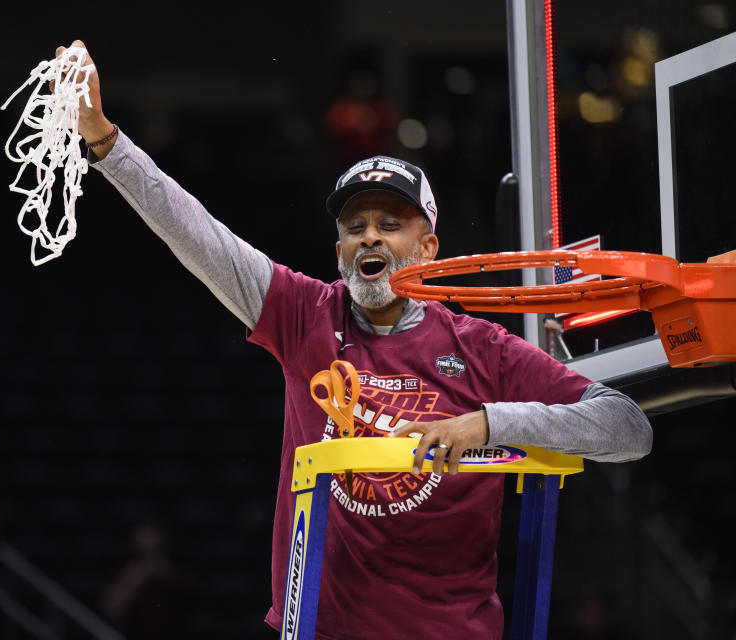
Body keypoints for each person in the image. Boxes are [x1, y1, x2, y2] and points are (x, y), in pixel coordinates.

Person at [55, 40, 653, 639]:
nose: (370, 238)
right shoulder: (303, 313)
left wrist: (487, 424)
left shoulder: (482, 347)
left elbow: (628, 427)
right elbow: (201, 236)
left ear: (427, 249)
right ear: (338, 250)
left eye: (390, 225)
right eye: (355, 228)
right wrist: (106, 140)